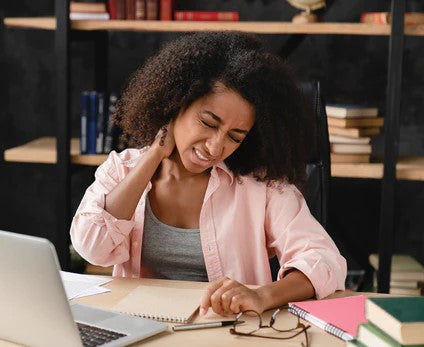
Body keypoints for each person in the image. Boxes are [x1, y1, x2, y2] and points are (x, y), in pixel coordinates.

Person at [71, 32, 346, 317]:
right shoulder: (123, 169)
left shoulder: (261, 186)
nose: (216, 147)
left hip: (225, 331)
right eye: (208, 123)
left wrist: (262, 295)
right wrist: (152, 155)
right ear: (175, 103)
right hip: (143, 327)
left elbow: (325, 261)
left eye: (235, 137)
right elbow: (93, 249)